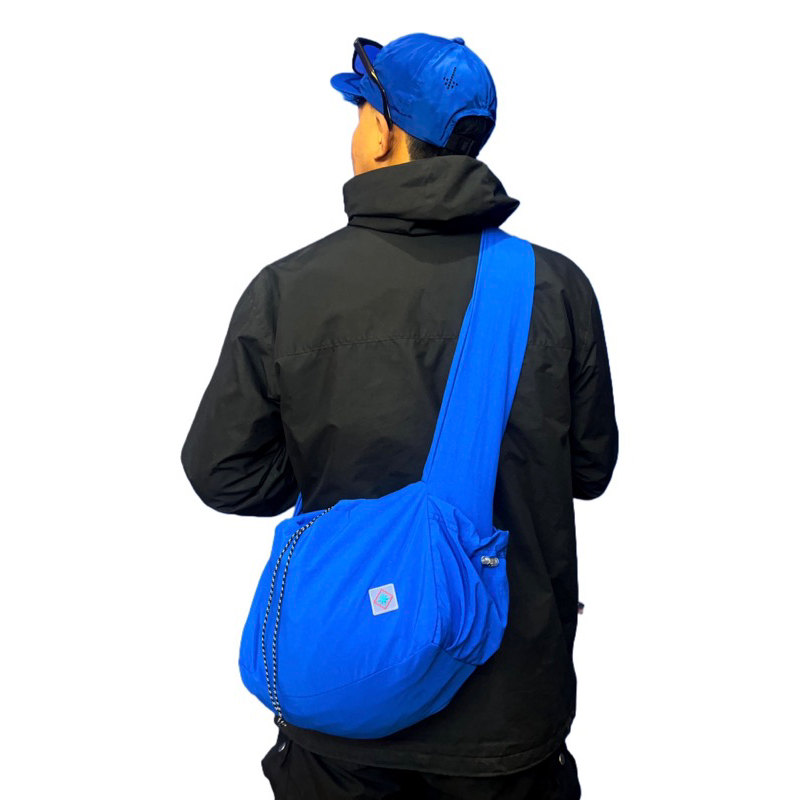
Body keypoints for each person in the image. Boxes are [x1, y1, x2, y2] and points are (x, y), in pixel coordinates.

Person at [180, 32, 618, 800]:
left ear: (383, 131)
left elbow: (223, 475)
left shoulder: (289, 289)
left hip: (344, 700)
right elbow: (589, 470)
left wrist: (326, 465)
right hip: (510, 718)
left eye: (360, 113)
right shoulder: (555, 288)